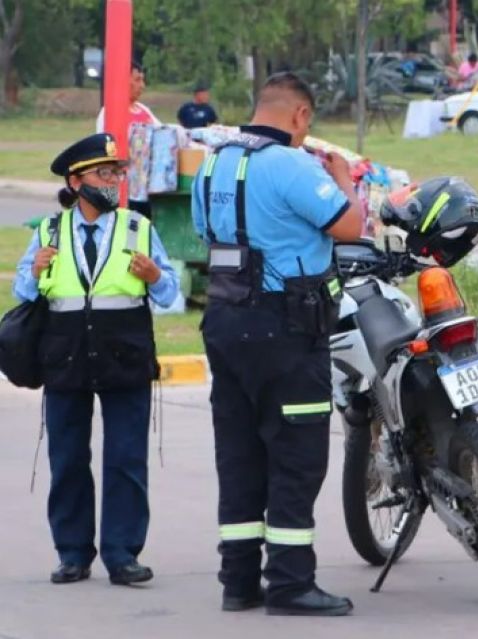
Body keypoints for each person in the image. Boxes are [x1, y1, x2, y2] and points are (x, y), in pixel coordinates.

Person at [191, 71, 365, 616]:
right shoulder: (293, 164)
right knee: (295, 456)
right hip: (285, 328)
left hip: (224, 322)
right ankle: (291, 584)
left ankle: (238, 581)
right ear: (301, 117)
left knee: (239, 453)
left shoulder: (214, 161)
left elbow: (204, 231)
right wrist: (344, 181)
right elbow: (351, 227)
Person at [13, 132, 179, 586]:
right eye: (103, 173)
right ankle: (72, 553)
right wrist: (35, 271)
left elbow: (171, 296)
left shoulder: (138, 228)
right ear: (76, 180)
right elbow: (23, 295)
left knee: (126, 459)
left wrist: (156, 274)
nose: (113, 181)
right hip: (65, 359)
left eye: (117, 173)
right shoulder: (48, 231)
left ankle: (123, 554)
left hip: (124, 357)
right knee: (67, 459)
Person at [96, 59, 160, 218]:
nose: (142, 86)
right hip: (124, 188)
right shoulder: (109, 113)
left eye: (143, 80)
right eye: (137, 80)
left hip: (147, 188)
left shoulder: (144, 111)